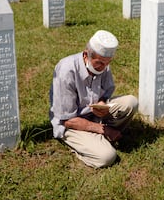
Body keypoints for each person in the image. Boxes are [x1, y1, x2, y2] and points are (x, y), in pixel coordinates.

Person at [49, 30, 138, 168]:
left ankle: (98, 140)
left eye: (107, 63)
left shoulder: (103, 66)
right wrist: (102, 129)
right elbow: (67, 119)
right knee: (107, 157)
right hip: (71, 124)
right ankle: (93, 142)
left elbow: (106, 92)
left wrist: (102, 103)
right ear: (86, 55)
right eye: (99, 63)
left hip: (94, 115)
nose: (103, 67)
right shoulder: (66, 70)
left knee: (131, 102)